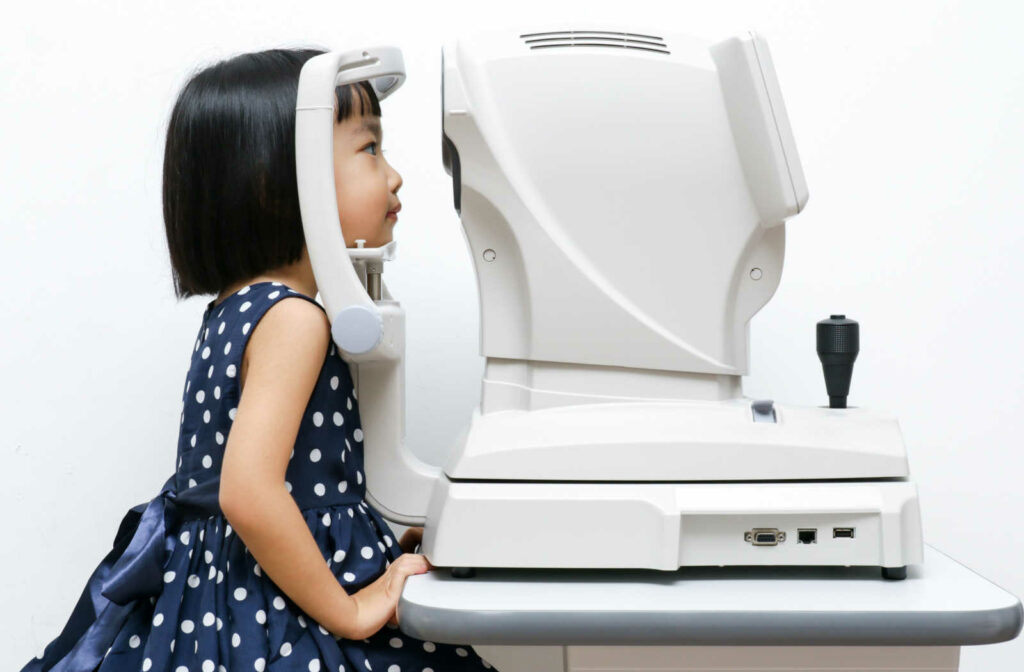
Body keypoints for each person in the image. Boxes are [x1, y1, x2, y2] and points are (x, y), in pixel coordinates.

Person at [20, 47, 496, 672]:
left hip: (220, 595)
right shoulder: (294, 318)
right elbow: (249, 493)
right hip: (270, 613)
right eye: (370, 149)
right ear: (282, 179)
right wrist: (351, 611)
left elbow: (299, 483)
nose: (395, 176)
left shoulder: (236, 310)